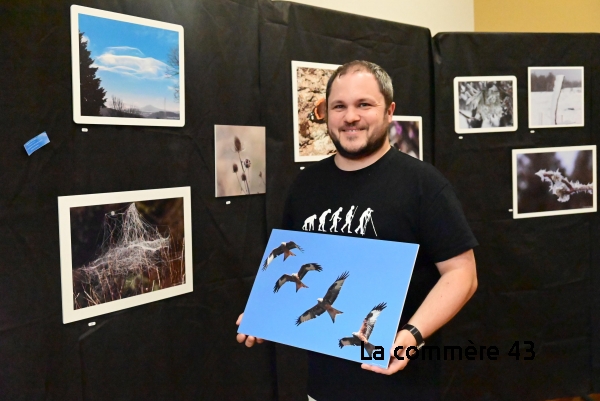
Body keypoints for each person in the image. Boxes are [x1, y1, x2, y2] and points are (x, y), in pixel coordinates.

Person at [237, 60, 478, 400]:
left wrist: (411, 336)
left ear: (389, 111)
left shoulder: (424, 185)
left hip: (400, 386)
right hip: (323, 387)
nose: (350, 116)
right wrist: (265, 312)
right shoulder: (305, 185)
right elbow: (291, 260)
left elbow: (462, 274)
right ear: (326, 114)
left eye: (364, 104)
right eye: (339, 106)